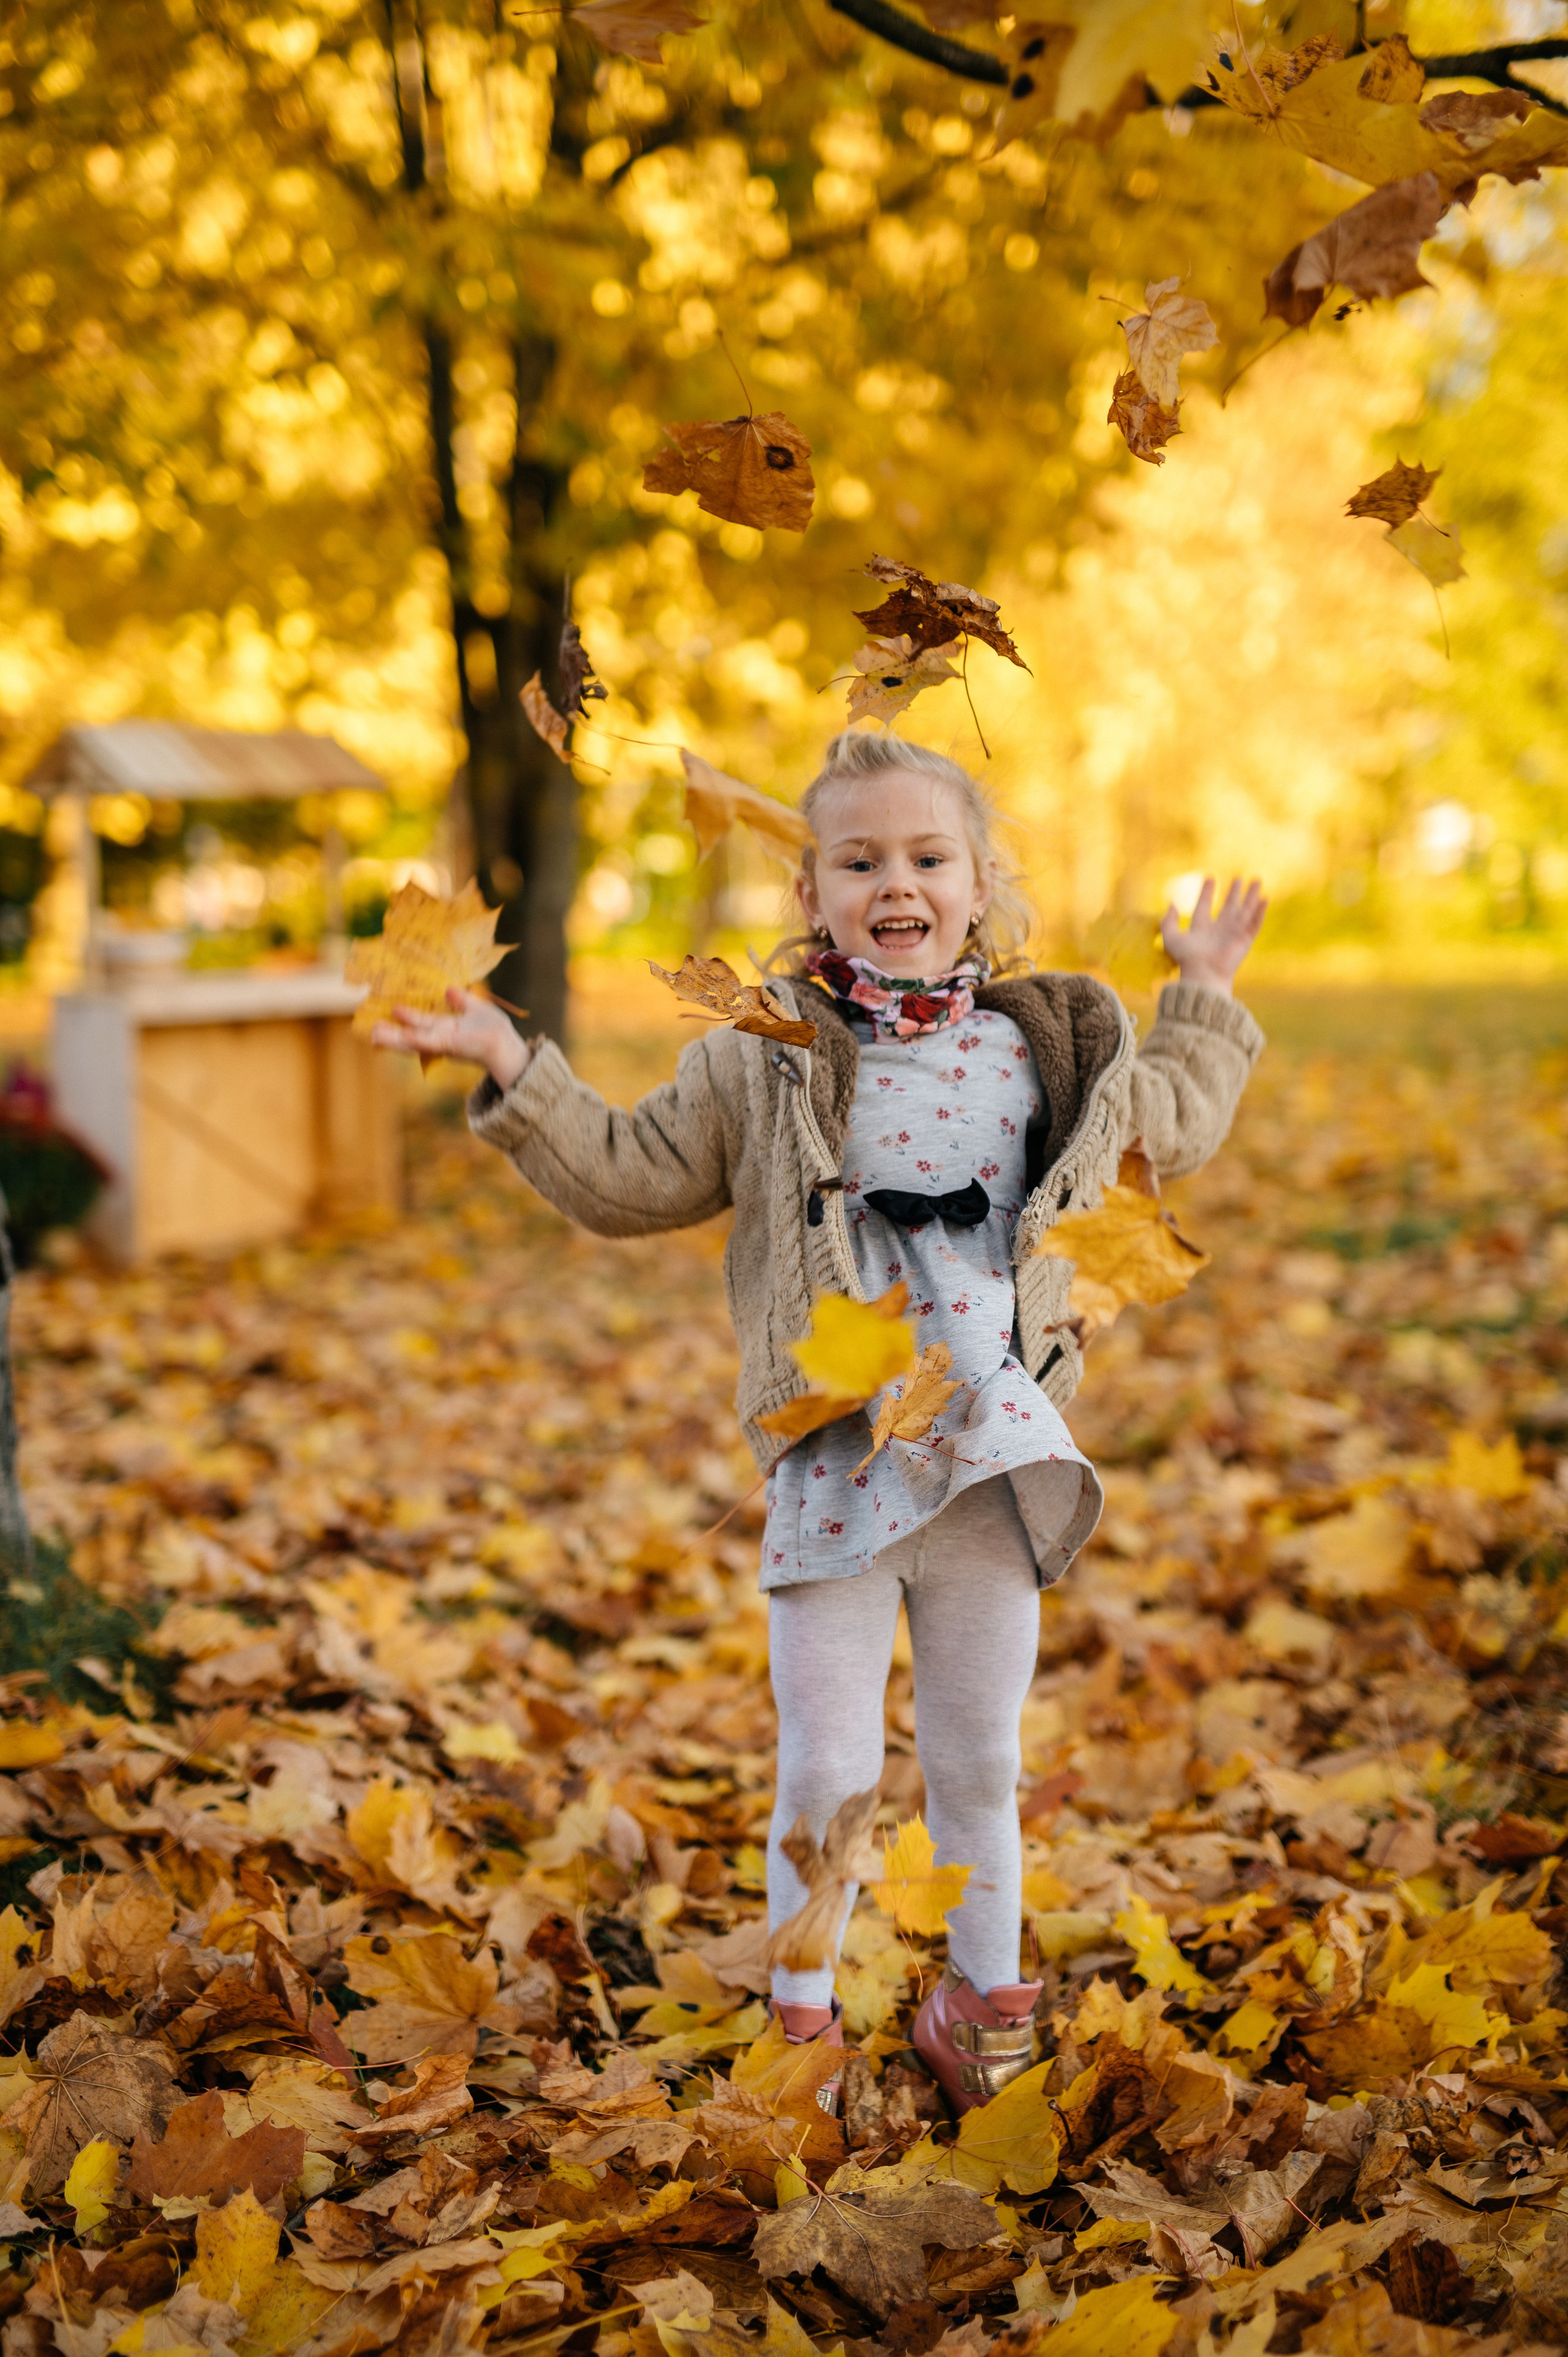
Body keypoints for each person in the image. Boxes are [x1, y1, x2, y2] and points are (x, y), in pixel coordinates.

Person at [374, 731, 1266, 2112]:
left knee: (979, 1757)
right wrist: (510, 1057)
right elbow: (626, 1174)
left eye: (925, 856)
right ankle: (799, 2026)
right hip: (838, 1465)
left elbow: (1178, 1124)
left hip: (986, 1462)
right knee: (830, 1761)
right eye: (858, 860)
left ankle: (987, 2008)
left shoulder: (1051, 1042)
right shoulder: (764, 1058)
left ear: (979, 882)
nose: (892, 882)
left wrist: (1200, 995)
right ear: (811, 892)